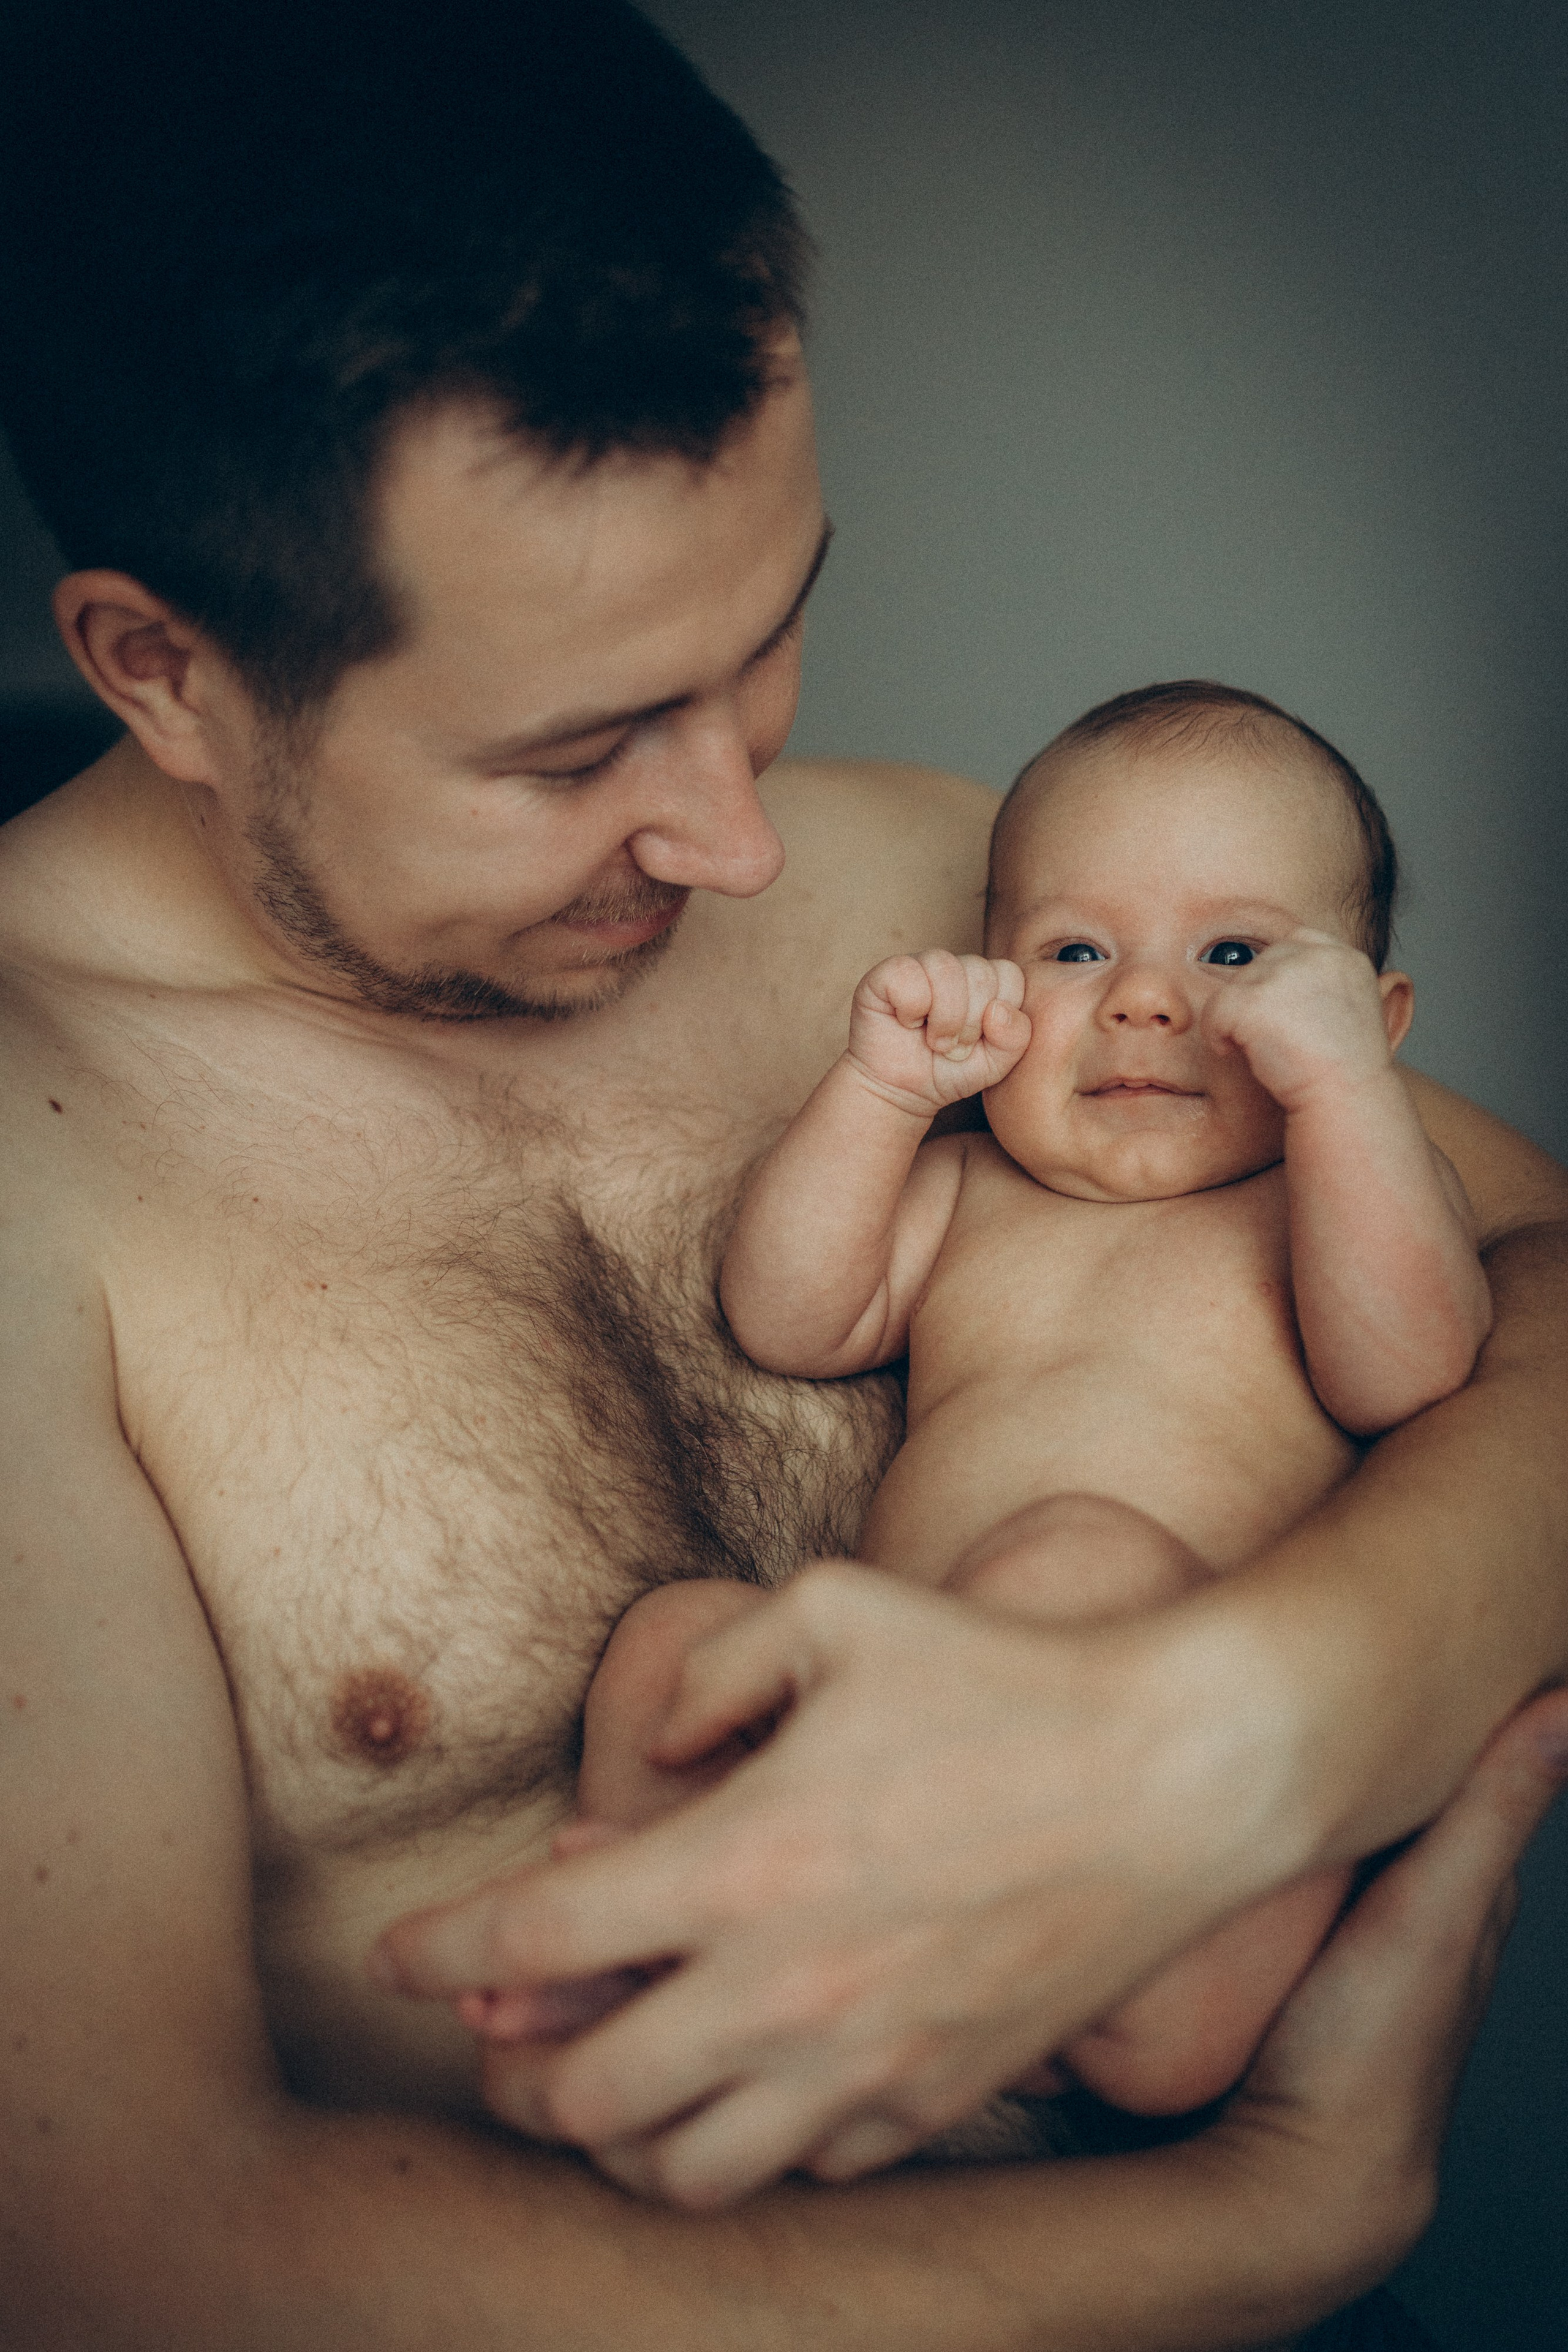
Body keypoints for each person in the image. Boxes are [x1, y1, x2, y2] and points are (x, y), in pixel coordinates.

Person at [2, 3, 1567, 2343]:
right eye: (580, 753)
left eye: (769, 635)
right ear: (162, 670)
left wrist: (1254, 1728)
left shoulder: (976, 888)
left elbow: (1535, 1268)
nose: (743, 840)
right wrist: (1256, 2226)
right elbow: (116, 2245)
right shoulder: (30, 1182)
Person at [466, 680, 1487, 2141]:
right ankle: (663, 1934)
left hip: (1171, 1821)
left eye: (1235, 954)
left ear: (1370, 1020)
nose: (1144, 998)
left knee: (1079, 1555)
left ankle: (1132, 2003)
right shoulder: (967, 1188)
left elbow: (1413, 1372)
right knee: (675, 1643)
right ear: (994, 983)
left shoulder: (1338, 1197)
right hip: (893, 1730)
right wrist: (881, 1096)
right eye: (1074, 950)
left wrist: (1341, 1104)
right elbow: (790, 1317)